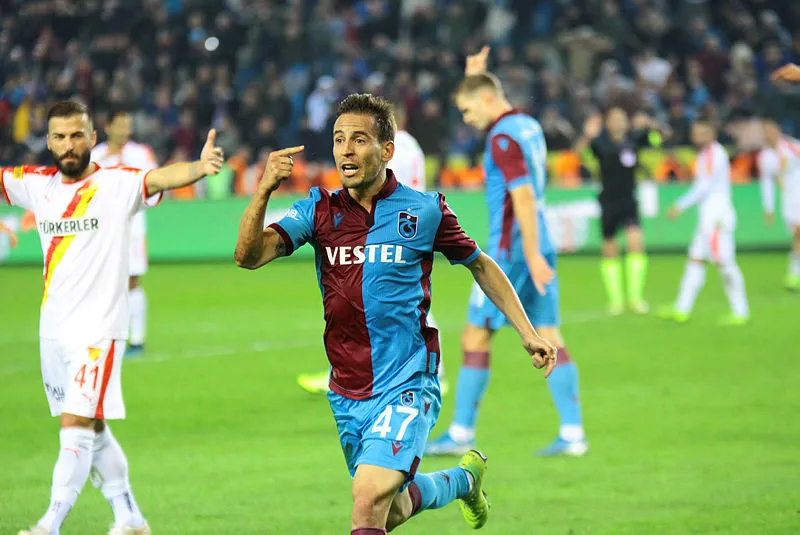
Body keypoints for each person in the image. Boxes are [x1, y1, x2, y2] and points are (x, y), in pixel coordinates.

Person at [234, 93, 558, 533]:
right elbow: (249, 256)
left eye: (359, 140)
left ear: (387, 150)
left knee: (367, 498)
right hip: (348, 388)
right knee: (394, 508)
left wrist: (527, 332)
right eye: (339, 139)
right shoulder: (319, 210)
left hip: (408, 378)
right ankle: (464, 481)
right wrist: (263, 189)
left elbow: (480, 264)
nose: (346, 151)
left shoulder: (424, 210)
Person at [4, 100, 224, 535]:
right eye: (60, 137)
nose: (69, 145)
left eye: (77, 135)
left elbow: (160, 177)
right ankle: (130, 518)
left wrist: (199, 168)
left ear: (92, 137)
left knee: (75, 426)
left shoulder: (116, 184)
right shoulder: (35, 184)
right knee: (95, 427)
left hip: (98, 332)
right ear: (49, 141)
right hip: (53, 332)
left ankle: (49, 524)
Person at [425, 46, 588, 458]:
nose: (466, 119)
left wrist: (528, 254)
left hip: (512, 250)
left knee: (476, 333)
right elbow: (488, 95)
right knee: (548, 332)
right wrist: (475, 74)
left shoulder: (500, 139)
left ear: (485, 99)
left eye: (467, 109)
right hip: (539, 241)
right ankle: (573, 434)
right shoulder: (527, 125)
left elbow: (523, 195)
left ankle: (461, 432)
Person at [295, 106, 450, 396]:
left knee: (378, 298)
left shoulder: (395, 148)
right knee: (404, 299)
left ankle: (359, 369)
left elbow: (382, 184)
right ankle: (429, 368)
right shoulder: (412, 145)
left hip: (391, 223)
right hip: (410, 224)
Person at [659, 117, 750, 324]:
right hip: (707, 217)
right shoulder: (704, 155)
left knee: (724, 262)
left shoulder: (713, 155)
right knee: (695, 260)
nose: (697, 136)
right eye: (695, 132)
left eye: (701, 132)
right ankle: (682, 309)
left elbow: (704, 187)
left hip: (716, 217)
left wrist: (680, 205)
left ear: (712, 134)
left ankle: (740, 311)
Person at [572, 108, 663, 315]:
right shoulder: (599, 143)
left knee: (636, 245)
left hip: (629, 200)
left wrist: (651, 123)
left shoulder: (635, 139)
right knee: (610, 249)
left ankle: (635, 298)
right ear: (607, 123)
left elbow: (661, 138)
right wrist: (586, 135)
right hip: (608, 202)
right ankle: (616, 301)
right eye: (614, 119)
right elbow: (576, 154)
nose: (618, 123)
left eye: (621, 119)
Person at [92, 107, 159, 357]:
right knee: (103, 282)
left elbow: (155, 182)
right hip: (101, 228)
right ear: (108, 127)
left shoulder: (140, 154)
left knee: (132, 280)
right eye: (120, 125)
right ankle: (107, 337)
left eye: (128, 125)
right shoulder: (96, 155)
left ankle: (137, 340)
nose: (125, 130)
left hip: (132, 227)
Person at [757, 118, 800, 290]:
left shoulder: (792, 146)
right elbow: (766, 183)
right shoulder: (764, 157)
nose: (768, 134)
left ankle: (794, 274)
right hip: (788, 200)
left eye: (771, 130)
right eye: (765, 131)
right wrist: (769, 208)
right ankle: (794, 273)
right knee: (796, 235)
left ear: (778, 130)